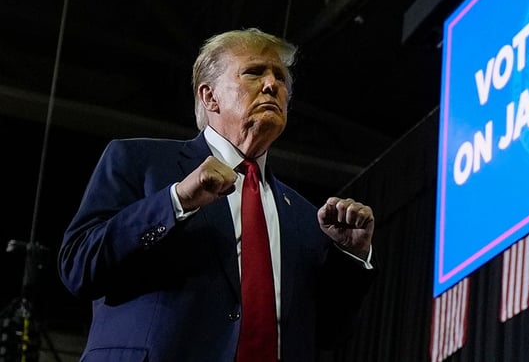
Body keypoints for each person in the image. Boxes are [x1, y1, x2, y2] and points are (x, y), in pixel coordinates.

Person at [58, 28, 376, 362]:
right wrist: (177, 200)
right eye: (254, 72)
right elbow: (78, 266)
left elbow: (328, 334)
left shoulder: (305, 217)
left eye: (281, 78)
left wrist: (351, 256)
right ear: (210, 97)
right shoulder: (139, 162)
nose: (273, 85)